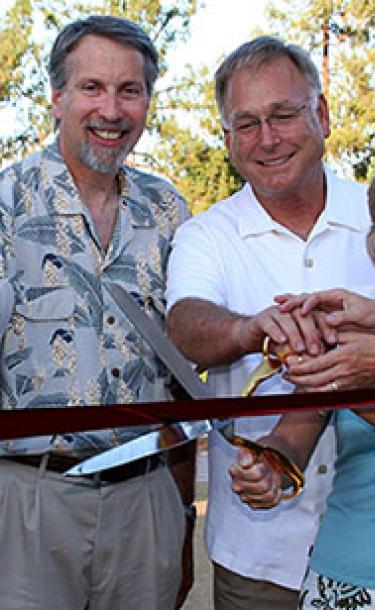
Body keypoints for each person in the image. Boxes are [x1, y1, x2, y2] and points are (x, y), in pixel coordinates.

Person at [165, 35, 375, 610]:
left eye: (284, 114)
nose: (268, 138)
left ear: (323, 115)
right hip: (262, 560)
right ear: (228, 139)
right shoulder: (204, 235)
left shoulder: (373, 213)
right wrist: (249, 330)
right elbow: (186, 324)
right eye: (247, 124)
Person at [0, 15, 196, 610]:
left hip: (146, 505)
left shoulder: (169, 211)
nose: (111, 110)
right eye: (91, 88)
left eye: (129, 90)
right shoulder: (8, 203)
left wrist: (182, 513)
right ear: (57, 97)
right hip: (30, 502)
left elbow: (183, 379)